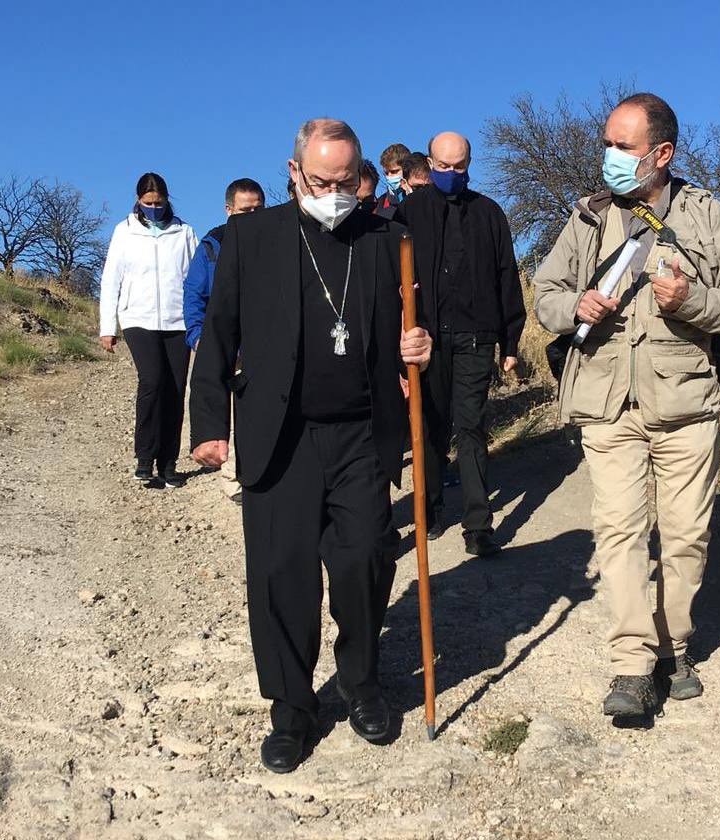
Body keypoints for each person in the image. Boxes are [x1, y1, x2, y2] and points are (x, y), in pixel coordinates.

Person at [189, 117, 433, 774]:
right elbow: (219, 333)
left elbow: (415, 323)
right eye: (321, 180)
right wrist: (208, 421)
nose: (335, 193)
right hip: (282, 434)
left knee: (364, 563)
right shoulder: (251, 237)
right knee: (282, 577)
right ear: (294, 172)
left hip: (360, 433)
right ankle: (292, 708)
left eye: (347, 181)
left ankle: (360, 683)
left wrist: (420, 347)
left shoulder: (388, 240)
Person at [533, 93, 720, 718]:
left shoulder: (707, 216)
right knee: (619, 533)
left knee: (686, 535)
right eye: (606, 143)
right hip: (607, 404)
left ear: (661, 154)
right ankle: (632, 665)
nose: (609, 156)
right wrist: (573, 306)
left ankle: (672, 645)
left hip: (686, 402)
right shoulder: (587, 218)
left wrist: (690, 299)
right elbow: (545, 294)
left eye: (623, 147)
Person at [397, 131, 525, 556]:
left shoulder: (489, 213)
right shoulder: (408, 213)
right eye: (443, 166)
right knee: (430, 426)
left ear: (469, 164)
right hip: (427, 340)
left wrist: (511, 339)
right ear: (429, 164)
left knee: (471, 427)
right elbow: (391, 278)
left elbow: (508, 274)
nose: (451, 174)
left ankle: (478, 524)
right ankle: (431, 510)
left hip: (476, 337)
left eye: (459, 166)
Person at [99, 172, 198, 488]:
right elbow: (111, 280)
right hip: (137, 319)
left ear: (168, 200)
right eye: (148, 203)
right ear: (138, 201)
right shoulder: (124, 232)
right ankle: (144, 457)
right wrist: (107, 326)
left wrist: (200, 321)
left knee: (176, 389)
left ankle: (169, 462)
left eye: (159, 202)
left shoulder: (184, 232)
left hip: (177, 321)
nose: (154, 207)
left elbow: (196, 281)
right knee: (153, 381)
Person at [182, 177, 265, 502]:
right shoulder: (211, 247)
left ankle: (256, 470)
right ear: (228, 210)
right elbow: (193, 295)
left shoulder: (272, 242)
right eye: (245, 210)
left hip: (260, 344)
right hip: (222, 345)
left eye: (259, 209)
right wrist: (199, 338)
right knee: (225, 414)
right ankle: (233, 480)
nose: (253, 216)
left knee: (257, 412)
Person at [375, 143, 410, 219]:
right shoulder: (380, 204)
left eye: (394, 171)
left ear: (407, 169)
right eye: (386, 173)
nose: (389, 177)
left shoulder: (422, 199)